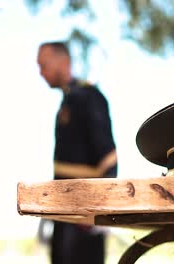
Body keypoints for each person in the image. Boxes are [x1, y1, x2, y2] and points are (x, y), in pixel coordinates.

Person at [37, 41, 118, 264]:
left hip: (84, 213)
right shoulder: (69, 99)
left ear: (63, 62)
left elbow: (107, 154)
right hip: (64, 212)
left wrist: (99, 205)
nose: (41, 72)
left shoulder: (88, 96)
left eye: (44, 65)